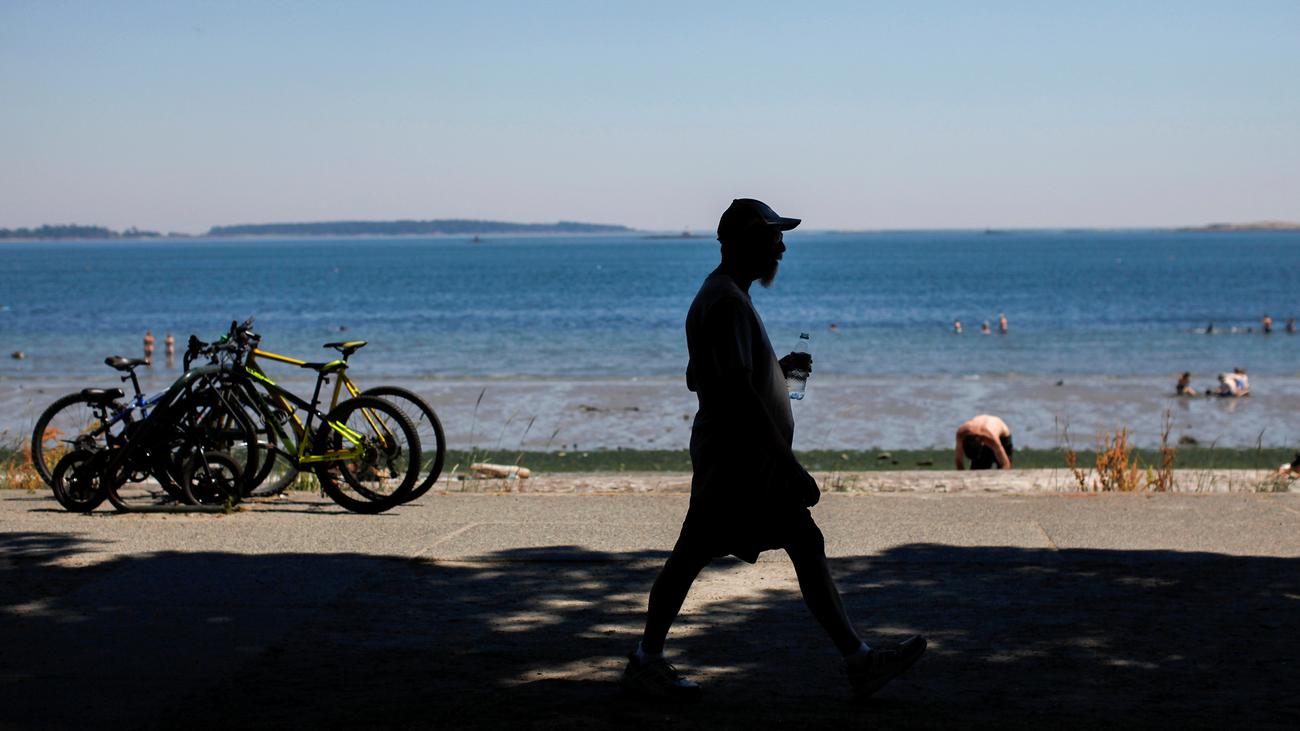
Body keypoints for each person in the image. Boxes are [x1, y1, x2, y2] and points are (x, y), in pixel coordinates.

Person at [621, 198, 925, 703]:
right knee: (709, 553)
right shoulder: (726, 302)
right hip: (740, 465)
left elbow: (704, 376)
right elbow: (735, 394)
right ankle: (857, 660)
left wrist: (774, 371)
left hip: (735, 462)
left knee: (743, 549)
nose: (781, 247)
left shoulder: (722, 296)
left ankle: (647, 659)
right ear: (743, 243)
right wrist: (789, 466)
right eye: (772, 238)